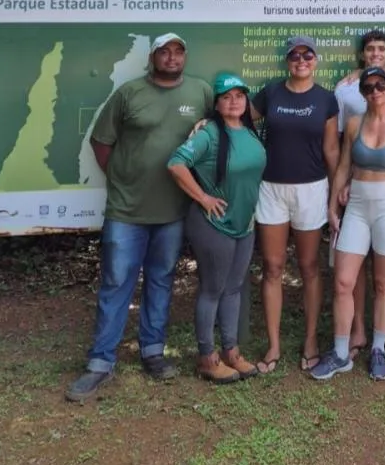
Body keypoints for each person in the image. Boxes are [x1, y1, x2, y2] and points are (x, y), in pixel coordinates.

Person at [66, 33, 213, 402]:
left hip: (173, 210)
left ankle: (153, 352)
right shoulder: (129, 93)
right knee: (116, 282)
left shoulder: (201, 92)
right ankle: (101, 361)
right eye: (164, 52)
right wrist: (121, 179)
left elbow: (217, 132)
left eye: (178, 51)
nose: (172, 58)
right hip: (126, 210)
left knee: (161, 280)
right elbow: (101, 142)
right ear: (152, 57)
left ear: (185, 57)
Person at [311, 66, 385, 381]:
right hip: (357, 206)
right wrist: (333, 207)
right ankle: (341, 353)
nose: (375, 92)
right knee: (343, 282)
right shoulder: (354, 124)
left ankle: (377, 348)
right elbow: (344, 166)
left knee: (384, 283)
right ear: (362, 92)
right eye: (369, 87)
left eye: (381, 85)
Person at [167, 72, 266, 383]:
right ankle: (207, 357)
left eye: (239, 95)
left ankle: (231, 352)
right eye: (226, 97)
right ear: (217, 104)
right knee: (213, 289)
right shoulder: (209, 133)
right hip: (214, 224)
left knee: (233, 288)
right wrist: (203, 197)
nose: (234, 101)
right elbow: (176, 164)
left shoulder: (249, 132)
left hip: (244, 224)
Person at [251, 35, 340, 373]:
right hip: (271, 188)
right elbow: (240, 120)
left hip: (312, 189)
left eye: (307, 55)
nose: (301, 61)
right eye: (295, 55)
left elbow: (331, 150)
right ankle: (273, 344)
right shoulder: (271, 93)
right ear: (287, 61)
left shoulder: (326, 99)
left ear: (316, 60)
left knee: (309, 266)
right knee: (273, 267)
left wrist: (336, 193)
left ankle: (311, 339)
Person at [333, 30, 385, 359]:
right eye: (370, 49)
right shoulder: (346, 90)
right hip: (358, 194)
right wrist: (340, 191)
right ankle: (355, 333)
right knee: (350, 274)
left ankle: (382, 337)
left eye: (381, 49)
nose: (375, 91)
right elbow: (342, 153)